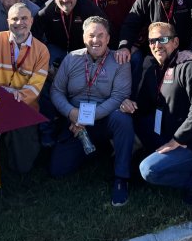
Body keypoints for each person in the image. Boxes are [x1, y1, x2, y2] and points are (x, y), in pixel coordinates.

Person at [123, 22, 192, 205]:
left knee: (148, 170)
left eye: (163, 39)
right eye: (152, 41)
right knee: (133, 165)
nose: (157, 45)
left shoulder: (188, 67)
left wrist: (178, 140)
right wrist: (129, 104)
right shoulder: (153, 70)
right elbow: (143, 106)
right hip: (166, 135)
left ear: (175, 42)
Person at [49, 16, 134, 206]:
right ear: (84, 37)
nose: (96, 40)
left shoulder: (120, 61)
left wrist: (88, 117)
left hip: (103, 119)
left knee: (123, 119)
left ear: (109, 38)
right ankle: (99, 150)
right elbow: (56, 90)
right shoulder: (71, 59)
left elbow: (119, 96)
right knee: (58, 170)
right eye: (91, 35)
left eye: (101, 35)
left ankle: (121, 178)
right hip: (74, 123)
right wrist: (71, 113)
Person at [0, 3, 49, 175]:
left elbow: (35, 88)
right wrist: (7, 97)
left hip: (24, 108)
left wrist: (12, 98)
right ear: (7, 21)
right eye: (15, 18)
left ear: (32, 21)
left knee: (22, 167)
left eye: (24, 18)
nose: (19, 22)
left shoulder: (42, 50)